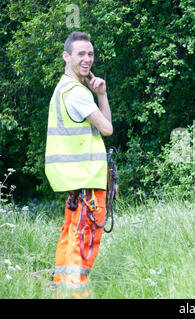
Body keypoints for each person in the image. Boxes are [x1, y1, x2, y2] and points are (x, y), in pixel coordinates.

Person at [44, 31, 113, 298]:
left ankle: (60, 288)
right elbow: (107, 128)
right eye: (81, 54)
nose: (87, 59)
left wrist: (101, 94)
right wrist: (99, 97)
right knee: (84, 240)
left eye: (90, 54)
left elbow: (102, 127)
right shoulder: (77, 93)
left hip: (73, 180)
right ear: (66, 56)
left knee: (70, 235)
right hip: (87, 180)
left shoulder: (63, 89)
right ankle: (76, 294)